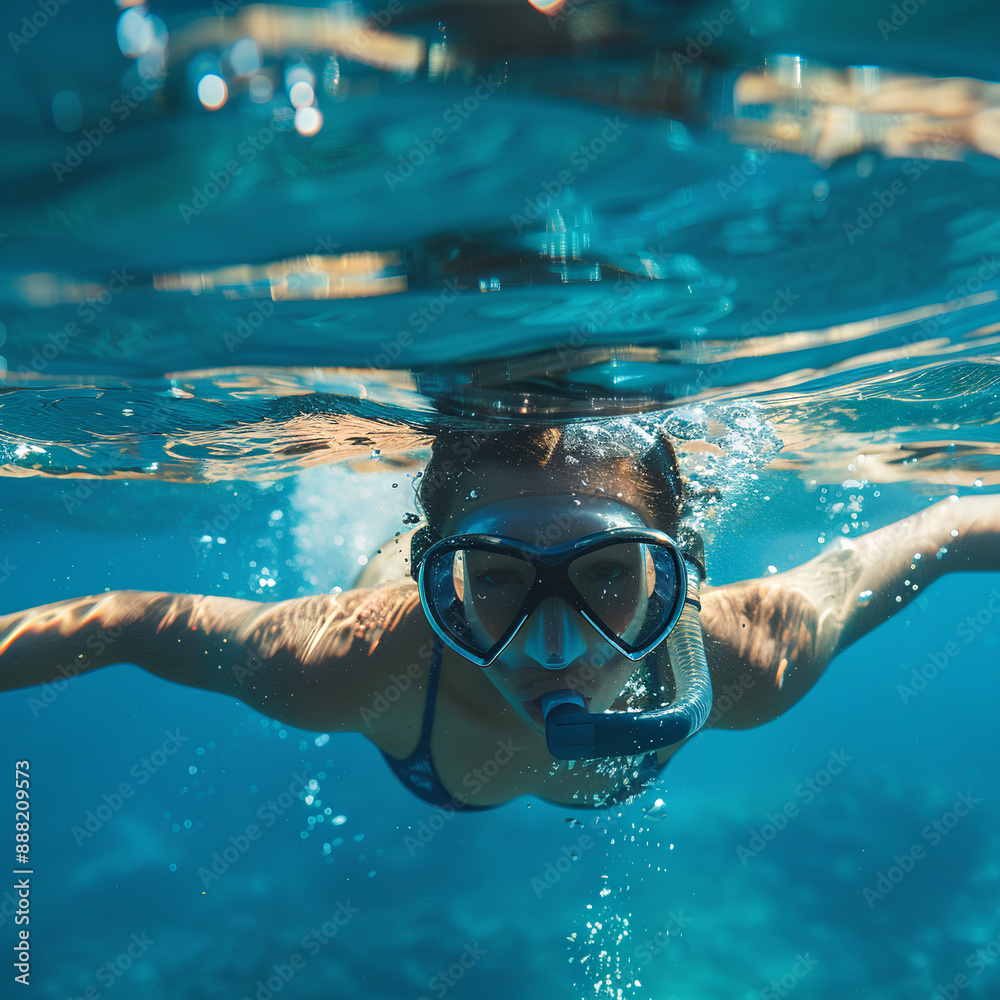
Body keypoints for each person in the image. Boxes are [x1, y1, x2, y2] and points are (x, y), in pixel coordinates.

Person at [2, 423, 997, 810]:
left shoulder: (748, 655)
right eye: (493, 582)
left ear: (678, 575)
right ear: (441, 584)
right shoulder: (343, 660)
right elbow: (124, 619)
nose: (554, 647)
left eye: (612, 577)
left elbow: (954, 527)